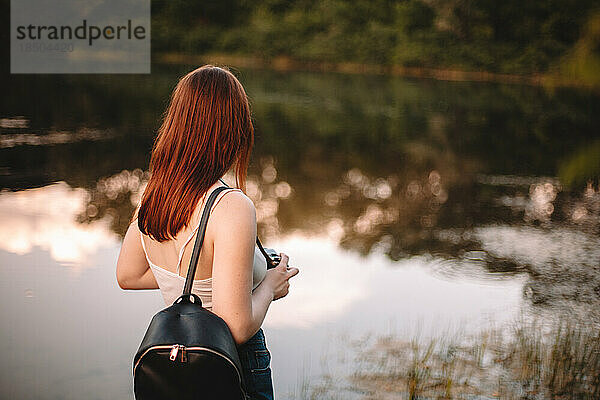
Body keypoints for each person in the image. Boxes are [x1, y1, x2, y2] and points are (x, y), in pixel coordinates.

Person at [115, 65, 299, 400]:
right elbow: (238, 326)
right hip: (230, 360)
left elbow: (128, 274)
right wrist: (270, 286)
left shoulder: (156, 193)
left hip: (175, 355)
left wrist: (214, 275)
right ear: (234, 130)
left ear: (177, 123)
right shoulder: (231, 206)